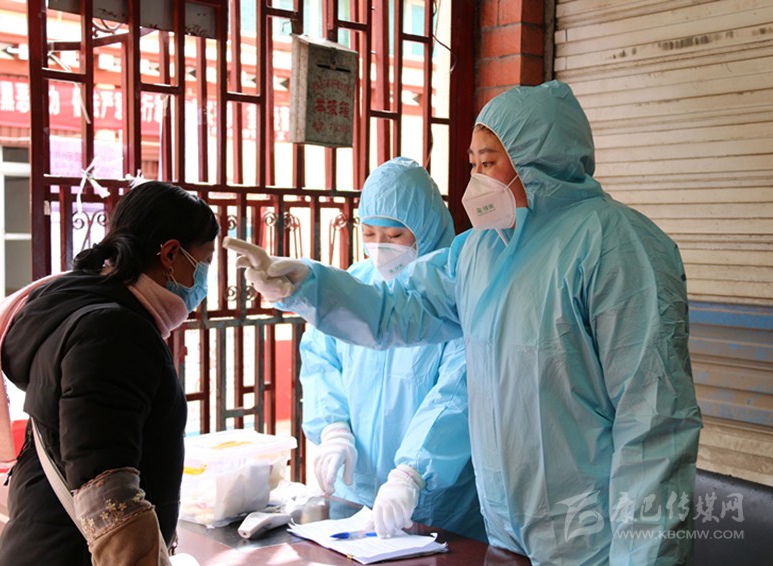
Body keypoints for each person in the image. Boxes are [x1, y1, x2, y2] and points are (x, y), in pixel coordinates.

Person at [226, 81, 702, 564]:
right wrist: (305, 285)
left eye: (488, 162)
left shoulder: (616, 245)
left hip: (592, 533)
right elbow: (396, 310)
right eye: (472, 163)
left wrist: (645, 556)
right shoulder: (478, 251)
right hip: (504, 527)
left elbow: (653, 422)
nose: (475, 179)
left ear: (537, 161)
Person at [0, 181, 219, 565]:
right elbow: (109, 494)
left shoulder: (80, 307)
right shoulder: (113, 332)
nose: (206, 278)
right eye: (206, 260)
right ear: (170, 254)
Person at [301, 157, 486, 541]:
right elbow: (321, 360)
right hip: (356, 497)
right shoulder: (355, 286)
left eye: (395, 235)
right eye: (369, 233)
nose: (379, 247)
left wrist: (411, 473)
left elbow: (458, 393)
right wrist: (334, 430)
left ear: (426, 228)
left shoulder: (453, 295)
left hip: (435, 500)